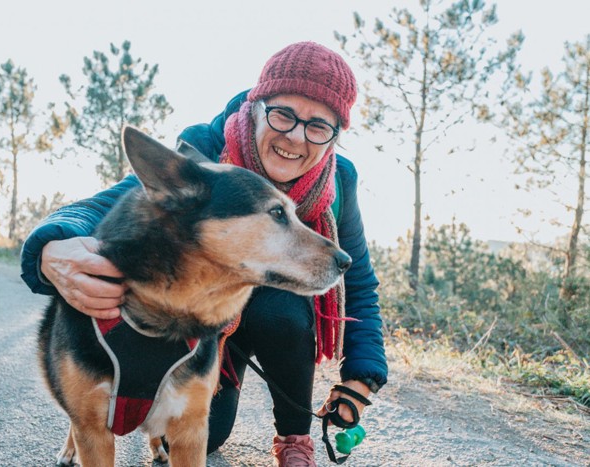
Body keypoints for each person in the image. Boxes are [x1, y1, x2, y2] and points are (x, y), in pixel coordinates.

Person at [21, 41, 387, 467]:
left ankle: (294, 438)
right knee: (203, 436)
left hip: (260, 307)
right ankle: (97, 415)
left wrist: (362, 376)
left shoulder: (339, 180)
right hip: (202, 321)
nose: (295, 136)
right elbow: (119, 203)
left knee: (284, 311)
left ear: (333, 136)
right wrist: (52, 242)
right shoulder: (205, 149)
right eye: (283, 114)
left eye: (318, 126)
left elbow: (358, 281)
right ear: (256, 107)